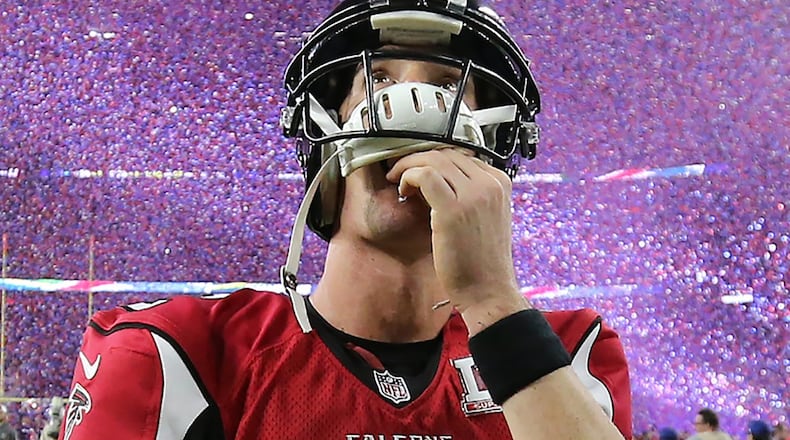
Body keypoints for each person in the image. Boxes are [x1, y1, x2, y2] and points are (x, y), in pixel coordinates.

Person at [59, 1, 632, 439]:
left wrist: (495, 306)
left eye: (446, 85)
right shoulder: (181, 352)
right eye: (380, 78)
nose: (413, 105)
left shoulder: (567, 351)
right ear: (324, 139)